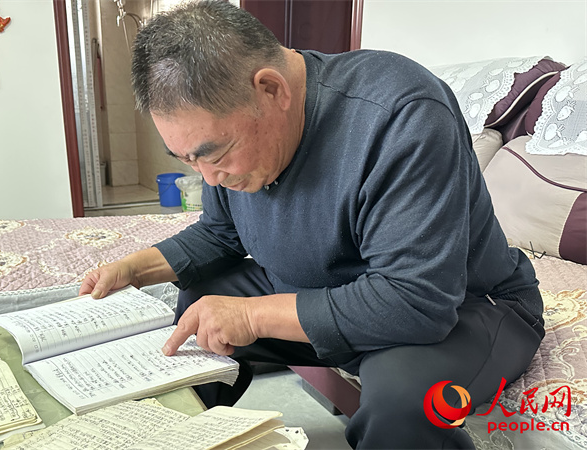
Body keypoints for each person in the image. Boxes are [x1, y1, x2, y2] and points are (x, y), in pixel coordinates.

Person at [79, 1, 544, 447]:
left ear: (272, 90)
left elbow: (416, 302)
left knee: (401, 406)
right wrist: (133, 269)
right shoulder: (228, 133)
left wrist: (251, 315)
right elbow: (221, 232)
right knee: (200, 301)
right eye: (187, 160)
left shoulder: (402, 112)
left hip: (458, 308)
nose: (209, 177)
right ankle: (185, 436)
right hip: (326, 290)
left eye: (214, 155)